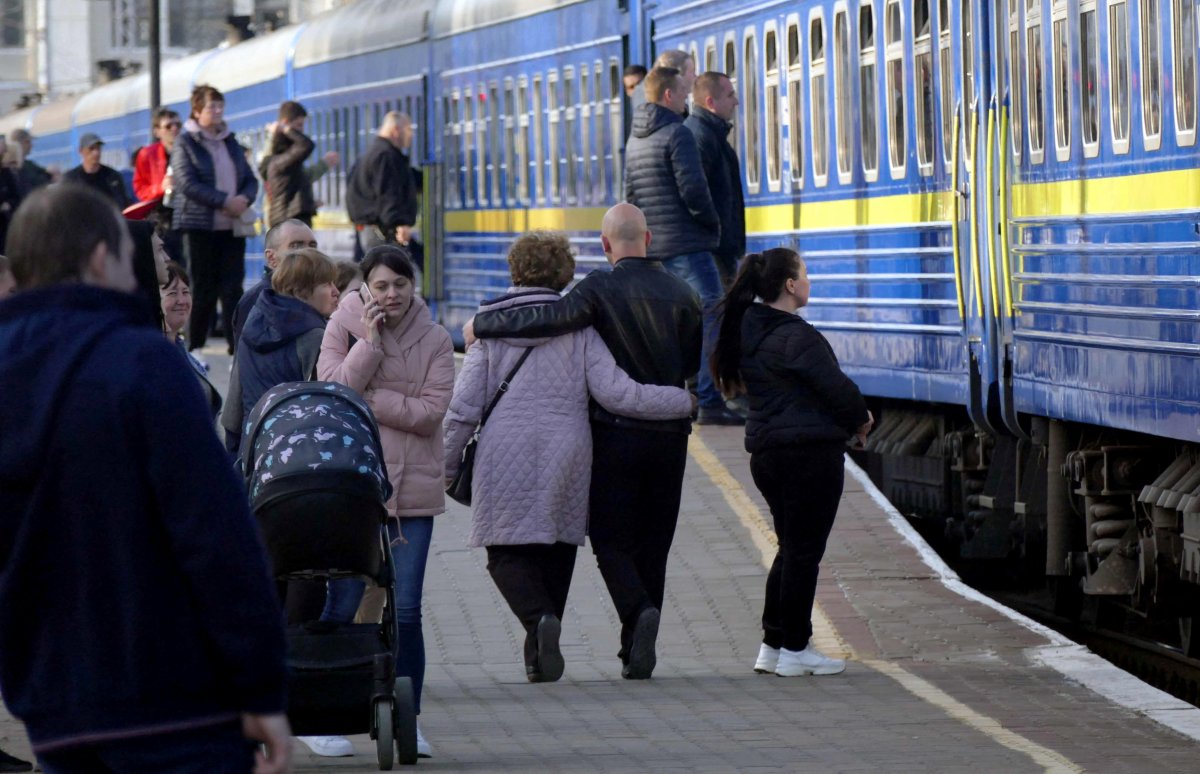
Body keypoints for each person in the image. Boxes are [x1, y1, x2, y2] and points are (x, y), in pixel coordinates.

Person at [0, 183, 291, 773]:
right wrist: (261, 685)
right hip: (175, 700)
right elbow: (215, 537)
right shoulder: (141, 363)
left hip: (55, 708)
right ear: (102, 258)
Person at [465, 203, 701, 680]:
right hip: (669, 437)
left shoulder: (597, 291)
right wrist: (684, 402)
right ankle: (636, 642)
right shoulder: (687, 294)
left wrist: (483, 325)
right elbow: (691, 368)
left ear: (607, 246)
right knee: (654, 544)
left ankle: (632, 614)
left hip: (615, 436)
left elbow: (547, 320)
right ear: (650, 240)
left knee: (613, 541)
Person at [710, 247, 873, 678]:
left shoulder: (752, 330)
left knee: (791, 549)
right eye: (805, 273)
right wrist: (860, 419)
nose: (809, 280)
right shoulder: (796, 336)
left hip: (769, 454)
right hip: (807, 455)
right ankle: (797, 649)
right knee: (803, 553)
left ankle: (774, 644)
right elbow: (837, 389)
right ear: (789, 285)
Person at [318, 244, 454, 758]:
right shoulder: (343, 326)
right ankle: (324, 710)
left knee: (409, 610)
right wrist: (369, 346)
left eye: (400, 284)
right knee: (344, 600)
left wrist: (374, 400)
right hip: (351, 490)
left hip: (412, 495)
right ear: (365, 289)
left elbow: (430, 412)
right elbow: (332, 391)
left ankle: (408, 717)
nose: (391, 294)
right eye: (381, 285)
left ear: (412, 286)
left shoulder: (436, 338)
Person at [625, 67, 740, 426]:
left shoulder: (635, 140)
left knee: (672, 323)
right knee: (714, 311)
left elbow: (630, 196)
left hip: (655, 246)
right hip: (689, 244)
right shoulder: (678, 134)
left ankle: (678, 395)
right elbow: (694, 191)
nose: (687, 100)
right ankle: (708, 399)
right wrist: (713, 224)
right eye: (683, 93)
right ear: (669, 96)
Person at [222, 247, 340, 456]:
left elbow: (233, 407)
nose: (335, 291)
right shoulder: (314, 336)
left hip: (254, 447)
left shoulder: (252, 323)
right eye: (326, 284)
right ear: (301, 291)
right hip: (297, 452)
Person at [171, 84, 259, 353]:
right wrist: (224, 201)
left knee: (233, 288)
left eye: (221, 106)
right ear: (197, 111)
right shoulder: (185, 142)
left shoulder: (230, 141)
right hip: (200, 226)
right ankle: (195, 343)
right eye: (212, 106)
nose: (218, 111)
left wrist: (244, 198)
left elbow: (249, 178)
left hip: (231, 226)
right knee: (202, 287)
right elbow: (187, 182)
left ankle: (237, 346)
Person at [687, 72, 745, 287]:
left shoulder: (712, 135)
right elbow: (695, 195)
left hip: (719, 249)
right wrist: (716, 235)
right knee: (717, 313)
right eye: (730, 95)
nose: (736, 102)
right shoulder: (701, 138)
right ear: (711, 102)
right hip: (714, 251)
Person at [231, 218, 318, 347]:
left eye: (312, 245)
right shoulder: (255, 300)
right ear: (271, 258)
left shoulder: (321, 293)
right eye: (296, 245)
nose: (308, 252)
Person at [345, 112, 418, 256]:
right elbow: (389, 194)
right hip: (381, 233)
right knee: (386, 272)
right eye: (408, 129)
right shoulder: (386, 157)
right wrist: (398, 223)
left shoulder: (371, 154)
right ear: (396, 130)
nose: (411, 135)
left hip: (369, 230)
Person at [261, 101, 339, 228]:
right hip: (285, 217)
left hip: (289, 213)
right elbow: (270, 176)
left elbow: (295, 180)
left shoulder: (289, 151)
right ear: (286, 123)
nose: (301, 130)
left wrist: (308, 202)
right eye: (298, 125)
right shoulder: (277, 151)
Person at [161, 260, 223, 419]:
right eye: (172, 293)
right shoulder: (151, 355)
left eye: (185, 292)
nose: (182, 301)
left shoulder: (180, 350)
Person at [62, 133, 133, 209]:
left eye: (98, 148)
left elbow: (123, 204)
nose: (96, 153)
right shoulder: (71, 179)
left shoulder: (113, 177)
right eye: (91, 149)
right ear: (81, 151)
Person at [629, 49, 697, 116]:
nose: (695, 76)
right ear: (677, 75)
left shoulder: (646, 102)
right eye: (692, 71)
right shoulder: (662, 116)